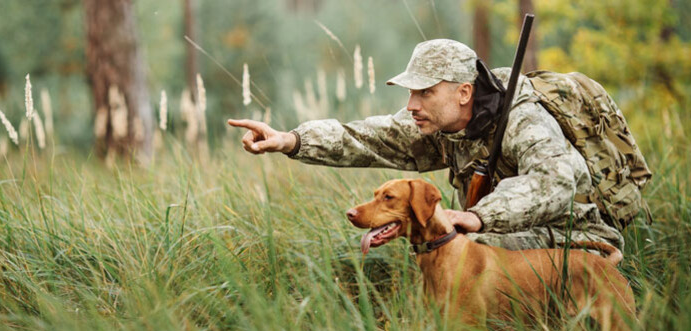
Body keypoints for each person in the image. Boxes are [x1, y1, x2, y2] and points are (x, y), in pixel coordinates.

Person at [227, 39, 624, 251]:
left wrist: (478, 217)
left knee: (466, 245)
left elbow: (556, 181)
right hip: (506, 235)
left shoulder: (522, 119)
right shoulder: (437, 122)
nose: (412, 106)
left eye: (426, 93)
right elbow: (365, 137)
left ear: (464, 92)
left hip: (577, 236)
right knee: (451, 246)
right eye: (411, 92)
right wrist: (290, 140)